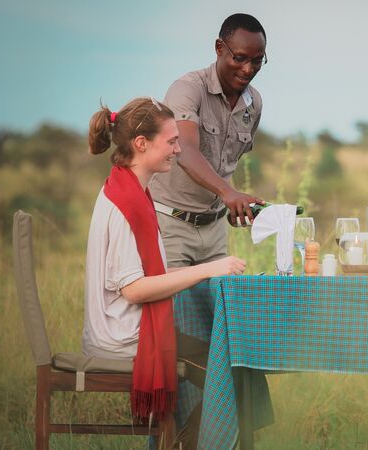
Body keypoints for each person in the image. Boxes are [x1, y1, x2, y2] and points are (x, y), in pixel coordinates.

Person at [83, 97, 246, 421]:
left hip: (128, 328)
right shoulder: (125, 204)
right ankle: (185, 444)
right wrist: (210, 269)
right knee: (234, 370)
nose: (177, 150)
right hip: (123, 338)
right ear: (141, 144)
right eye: (172, 142)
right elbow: (134, 290)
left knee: (230, 362)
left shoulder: (129, 188)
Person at [150, 13, 268, 268]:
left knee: (219, 307)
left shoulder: (254, 103)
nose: (248, 69)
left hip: (215, 231)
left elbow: (224, 164)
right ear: (219, 48)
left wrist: (235, 205)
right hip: (171, 227)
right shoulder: (188, 89)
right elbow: (184, 150)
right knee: (172, 308)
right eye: (240, 58)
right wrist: (228, 193)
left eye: (257, 61)